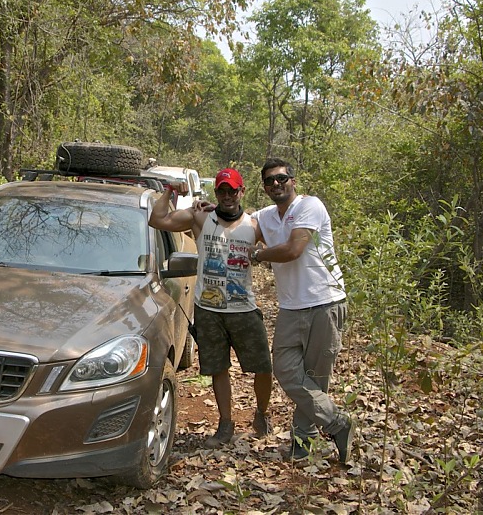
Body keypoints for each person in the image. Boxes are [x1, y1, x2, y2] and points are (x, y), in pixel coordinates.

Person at [149, 168, 273, 447]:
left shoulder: (255, 226)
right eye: (222, 190)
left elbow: (279, 246)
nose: (228, 196)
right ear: (216, 192)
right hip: (209, 309)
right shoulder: (200, 217)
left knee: (263, 367)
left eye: (233, 190)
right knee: (218, 368)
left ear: (242, 192)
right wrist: (170, 191)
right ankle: (225, 423)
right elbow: (157, 219)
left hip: (244, 308)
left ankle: (262, 413)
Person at [250, 158, 354, 463]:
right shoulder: (267, 216)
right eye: (269, 181)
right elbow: (242, 225)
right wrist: (209, 213)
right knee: (284, 368)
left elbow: (294, 250)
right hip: (291, 307)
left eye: (281, 178)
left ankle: (303, 439)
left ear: (293, 181)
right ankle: (338, 423)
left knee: (315, 377)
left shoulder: (310, 206)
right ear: (264, 187)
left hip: (325, 302)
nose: (276, 185)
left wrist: (258, 254)